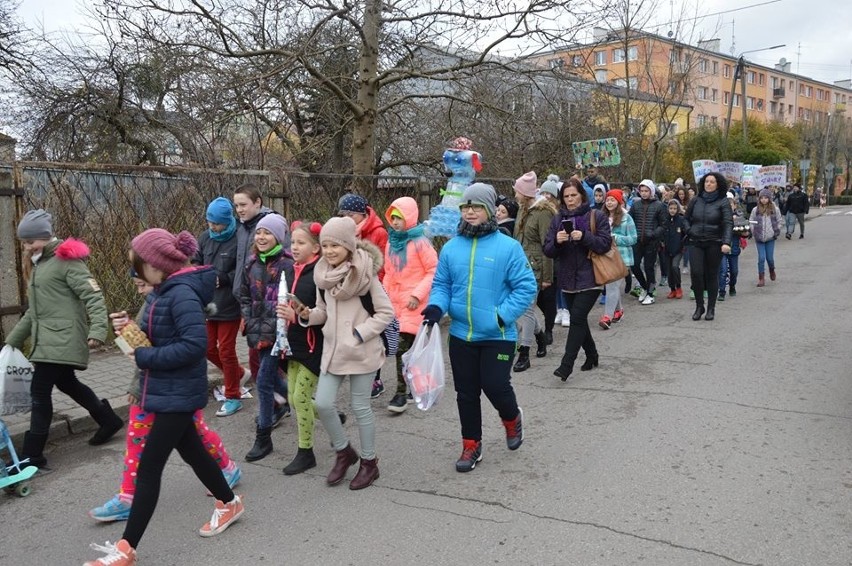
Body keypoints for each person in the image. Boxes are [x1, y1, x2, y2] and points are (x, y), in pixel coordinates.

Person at [84, 229, 244, 566]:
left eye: (138, 265)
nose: (135, 272)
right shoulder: (161, 292)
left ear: (157, 265)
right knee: (195, 454)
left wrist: (144, 358)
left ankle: (126, 548)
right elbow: (160, 338)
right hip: (164, 389)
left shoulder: (181, 294)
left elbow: (193, 346)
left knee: (149, 467)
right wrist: (130, 331)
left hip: (179, 392)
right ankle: (229, 503)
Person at [422, 183, 536, 473]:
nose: (470, 212)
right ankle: (471, 444)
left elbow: (526, 287)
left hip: (497, 334)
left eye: (476, 207)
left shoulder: (508, 247)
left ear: (489, 210)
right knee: (467, 393)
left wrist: (501, 317)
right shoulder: (451, 247)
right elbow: (442, 285)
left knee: (495, 386)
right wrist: (436, 307)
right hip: (461, 334)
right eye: (465, 206)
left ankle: (512, 419)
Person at [4, 209, 122, 470]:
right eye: (23, 242)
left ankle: (33, 454)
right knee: (68, 383)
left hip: (63, 338)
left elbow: (93, 295)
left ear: (45, 237)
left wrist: (98, 331)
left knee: (39, 391)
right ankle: (108, 420)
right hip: (48, 340)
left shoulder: (66, 261)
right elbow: (34, 312)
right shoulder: (41, 264)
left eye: (30, 241)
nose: (26, 247)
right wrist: (12, 341)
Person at [298, 216, 394, 489]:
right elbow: (323, 312)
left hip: (362, 351)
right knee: (323, 403)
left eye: (335, 246)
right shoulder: (322, 275)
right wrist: (307, 315)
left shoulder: (365, 274)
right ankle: (344, 451)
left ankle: (369, 462)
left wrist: (360, 333)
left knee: (361, 407)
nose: (329, 251)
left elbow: (386, 312)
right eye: (325, 245)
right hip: (333, 351)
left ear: (349, 247)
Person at [543, 178, 612, 381]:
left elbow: (604, 245)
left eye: (574, 195)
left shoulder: (595, 215)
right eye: (566, 196)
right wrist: (557, 241)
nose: (570, 199)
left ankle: (566, 365)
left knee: (578, 318)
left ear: (582, 195)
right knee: (579, 321)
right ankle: (592, 355)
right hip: (567, 280)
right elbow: (548, 250)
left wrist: (584, 237)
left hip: (592, 277)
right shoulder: (557, 219)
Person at [240, 214, 295, 462]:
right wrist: (249, 317)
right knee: (273, 379)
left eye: (267, 233)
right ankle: (326, 412)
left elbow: (291, 300)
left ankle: (263, 438)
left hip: (279, 333)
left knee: (262, 382)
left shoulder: (286, 265)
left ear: (279, 237)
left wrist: (278, 322)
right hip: (258, 331)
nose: (261, 237)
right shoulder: (252, 263)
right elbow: (243, 295)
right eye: (259, 232)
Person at [273, 220, 325, 475]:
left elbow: (324, 312)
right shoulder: (291, 270)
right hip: (292, 344)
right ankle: (330, 416)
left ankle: (306, 452)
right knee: (293, 397)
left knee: (301, 398)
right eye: (292, 242)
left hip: (314, 346)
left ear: (316, 248)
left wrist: (300, 316)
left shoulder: (320, 273)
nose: (294, 247)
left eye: (301, 242)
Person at [382, 197, 438, 413]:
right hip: (395, 302)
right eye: (393, 217)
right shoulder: (391, 242)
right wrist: (384, 295)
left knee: (402, 348)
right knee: (408, 349)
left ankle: (400, 392)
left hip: (415, 303)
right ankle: (416, 386)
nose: (396, 222)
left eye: (400, 217)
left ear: (410, 217)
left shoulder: (421, 242)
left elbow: (433, 270)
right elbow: (388, 272)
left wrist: (417, 294)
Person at [195, 197, 249, 417]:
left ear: (227, 221)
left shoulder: (239, 238)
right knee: (207, 347)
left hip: (229, 304)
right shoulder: (205, 238)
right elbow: (196, 260)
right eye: (209, 221)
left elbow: (243, 269)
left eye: (216, 223)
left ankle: (233, 396)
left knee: (226, 349)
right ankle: (238, 374)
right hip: (208, 303)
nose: (212, 226)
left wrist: (224, 278)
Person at [337, 193, 390, 400]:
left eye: (351, 214)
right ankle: (359, 371)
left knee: (371, 334)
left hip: (372, 287)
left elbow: (382, 263)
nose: (347, 218)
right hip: (351, 287)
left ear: (361, 213)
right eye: (343, 215)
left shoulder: (377, 232)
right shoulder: (345, 232)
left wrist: (377, 287)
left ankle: (375, 378)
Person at [232, 184, 283, 383]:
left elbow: (280, 264)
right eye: (236, 206)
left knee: (262, 363)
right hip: (248, 303)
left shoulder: (270, 226)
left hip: (266, 305)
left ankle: (277, 403)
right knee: (258, 361)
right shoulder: (242, 228)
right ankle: (280, 400)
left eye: (243, 204)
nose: (240, 210)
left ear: (258, 202)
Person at [512, 170, 556, 372]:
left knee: (528, 309)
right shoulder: (522, 209)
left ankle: (524, 353)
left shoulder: (543, 212)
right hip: (518, 265)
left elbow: (548, 245)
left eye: (517, 191)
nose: (515, 195)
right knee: (521, 309)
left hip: (535, 267)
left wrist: (547, 276)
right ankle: (538, 334)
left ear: (526, 193)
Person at [684, 173, 733, 321]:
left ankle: (711, 308)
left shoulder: (723, 202)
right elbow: (686, 219)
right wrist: (689, 230)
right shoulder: (696, 200)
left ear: (718, 184)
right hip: (696, 241)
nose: (709, 184)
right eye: (706, 181)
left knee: (712, 275)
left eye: (712, 182)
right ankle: (700, 306)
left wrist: (726, 242)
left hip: (714, 242)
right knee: (697, 273)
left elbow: (728, 223)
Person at [599, 189, 636, 329]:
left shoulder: (627, 218)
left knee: (611, 286)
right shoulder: (601, 217)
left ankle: (607, 317)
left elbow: (633, 239)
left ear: (619, 202)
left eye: (612, 200)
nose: (609, 202)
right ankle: (618, 311)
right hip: (605, 256)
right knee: (611, 285)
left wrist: (616, 238)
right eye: (607, 199)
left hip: (622, 258)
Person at [628, 179, 667, 305]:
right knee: (634, 265)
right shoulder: (636, 205)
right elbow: (629, 220)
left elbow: (663, 225)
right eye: (642, 191)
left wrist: (654, 234)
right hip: (637, 240)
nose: (644, 193)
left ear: (651, 191)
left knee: (649, 267)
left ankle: (650, 293)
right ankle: (645, 287)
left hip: (651, 242)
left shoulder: (659, 205)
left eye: (646, 191)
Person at [750, 188, 782, 287]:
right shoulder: (755, 210)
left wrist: (775, 231)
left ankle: (772, 270)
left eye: (766, 198)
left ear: (769, 198)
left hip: (770, 237)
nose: (763, 200)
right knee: (761, 258)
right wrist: (753, 231)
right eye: (762, 198)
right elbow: (751, 220)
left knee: (770, 258)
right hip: (759, 237)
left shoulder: (774, 209)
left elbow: (779, 220)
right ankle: (761, 278)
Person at [718, 192, 743, 301]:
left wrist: (745, 233)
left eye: (731, 205)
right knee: (723, 271)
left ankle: (732, 286)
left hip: (734, 248)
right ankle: (722, 291)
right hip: (722, 248)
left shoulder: (739, 217)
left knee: (734, 271)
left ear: (734, 206)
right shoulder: (719, 218)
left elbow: (745, 232)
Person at [661, 200, 688, 299]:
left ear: (678, 209)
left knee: (675, 267)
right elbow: (661, 232)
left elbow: (686, 233)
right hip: (667, 249)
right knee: (669, 270)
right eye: (671, 208)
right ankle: (672, 289)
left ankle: (679, 287)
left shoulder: (681, 220)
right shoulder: (665, 220)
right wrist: (662, 241)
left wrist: (683, 244)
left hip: (678, 249)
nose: (672, 210)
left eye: (675, 208)